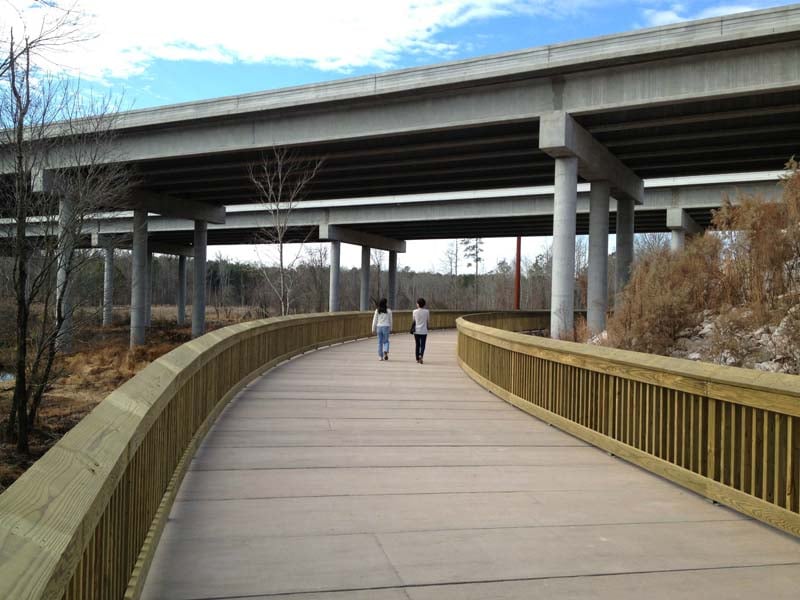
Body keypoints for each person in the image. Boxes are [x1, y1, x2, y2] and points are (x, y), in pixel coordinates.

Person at [412, 297, 430, 364]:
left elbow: (413, 321)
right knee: (422, 345)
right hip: (424, 330)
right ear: (424, 304)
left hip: (416, 330)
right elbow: (428, 321)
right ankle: (421, 356)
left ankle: (417, 359)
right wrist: (428, 327)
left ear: (418, 304)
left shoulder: (414, 311)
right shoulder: (427, 311)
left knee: (417, 344)